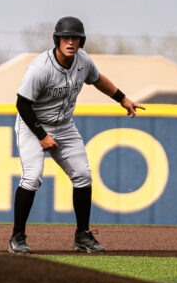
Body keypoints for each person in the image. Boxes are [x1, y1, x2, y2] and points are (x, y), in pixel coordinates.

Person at [9, 17, 145, 254]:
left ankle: (82, 235)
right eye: (65, 37)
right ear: (57, 40)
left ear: (81, 41)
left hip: (63, 125)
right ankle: (17, 237)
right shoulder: (40, 67)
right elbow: (22, 104)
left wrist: (122, 98)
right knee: (32, 178)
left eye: (75, 38)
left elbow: (98, 79)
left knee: (83, 175)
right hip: (33, 125)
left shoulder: (83, 61)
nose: (70, 42)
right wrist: (41, 135)